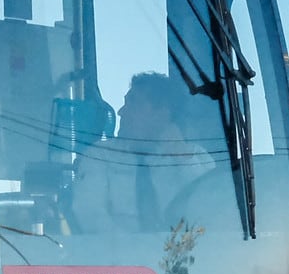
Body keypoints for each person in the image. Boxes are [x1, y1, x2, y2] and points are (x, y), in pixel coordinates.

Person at [69, 72, 213, 234]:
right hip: (115, 248)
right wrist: (133, 245)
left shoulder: (195, 156)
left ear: (162, 114)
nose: (121, 112)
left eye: (133, 104)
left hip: (182, 248)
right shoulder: (100, 154)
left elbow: (212, 208)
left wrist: (181, 155)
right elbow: (89, 212)